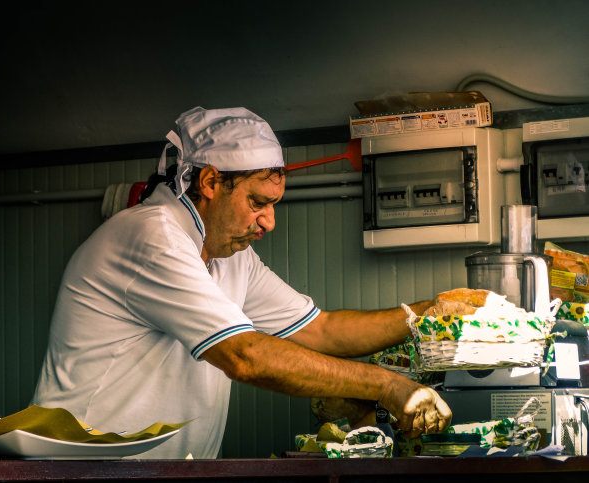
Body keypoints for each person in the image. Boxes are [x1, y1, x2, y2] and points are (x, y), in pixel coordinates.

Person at [32, 106, 452, 459]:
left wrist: (432, 315)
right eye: (257, 203)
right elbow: (244, 356)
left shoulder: (231, 257)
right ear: (210, 182)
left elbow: (320, 330)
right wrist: (387, 385)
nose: (268, 221)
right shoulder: (152, 236)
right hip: (84, 472)